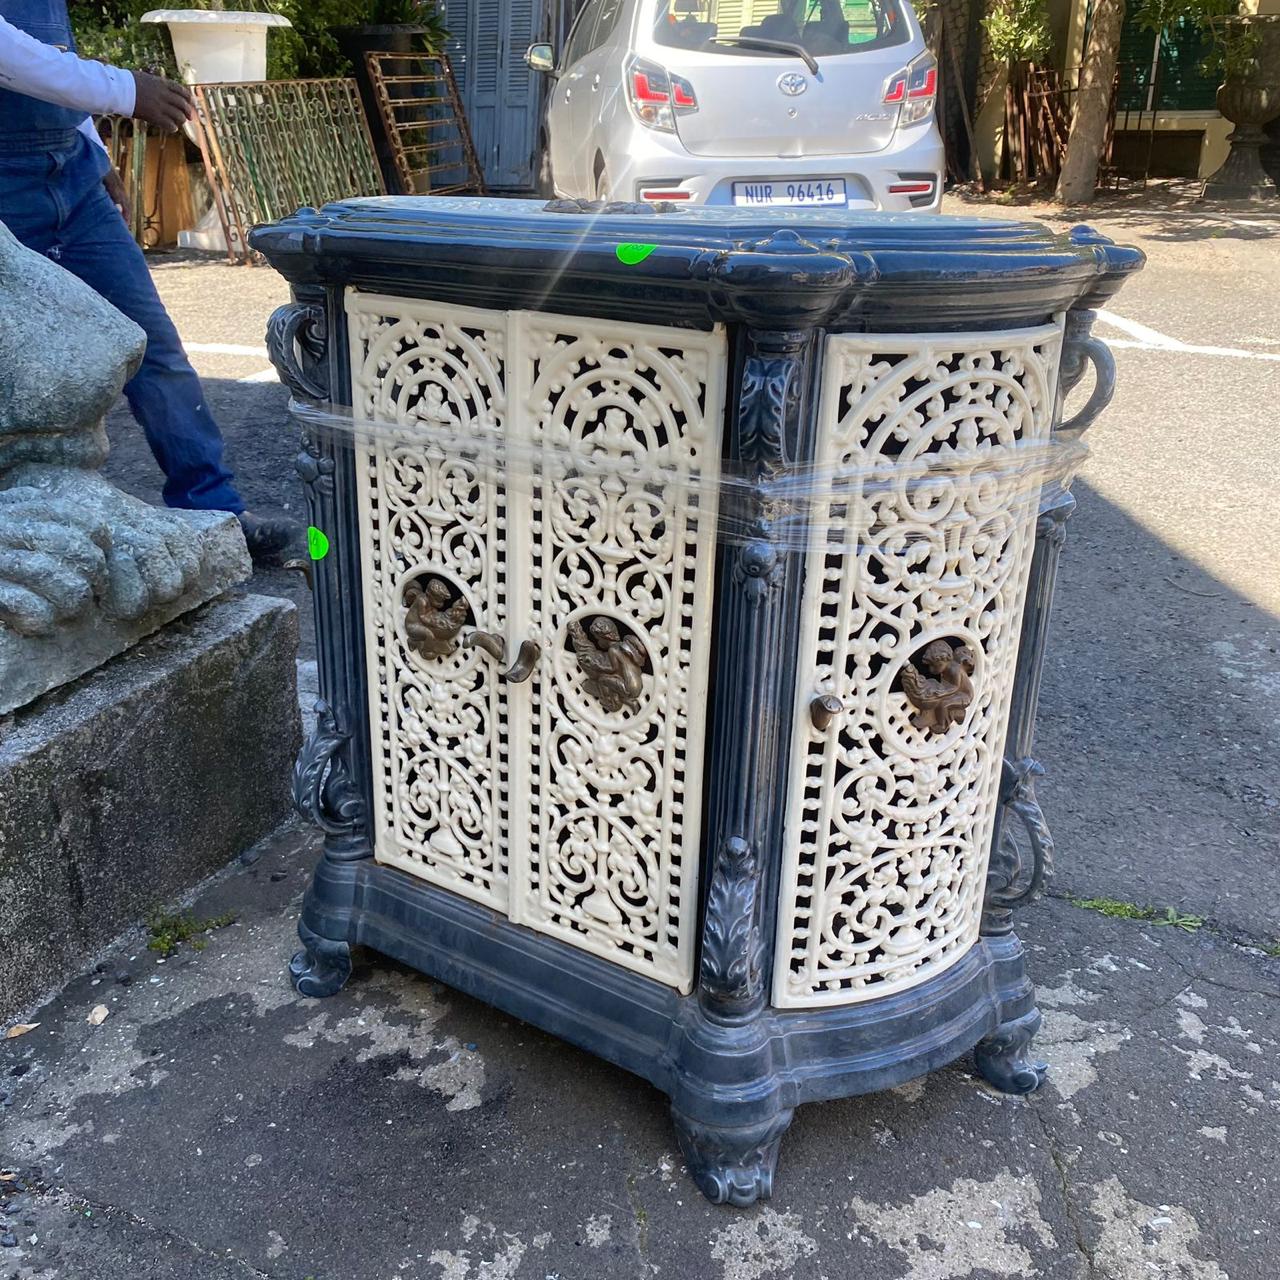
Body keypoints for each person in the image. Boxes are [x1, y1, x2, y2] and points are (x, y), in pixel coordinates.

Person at [0, 1, 294, 560]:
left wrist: (92, 145)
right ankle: (25, 543)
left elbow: (51, 60)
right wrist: (125, 91)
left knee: (151, 347)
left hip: (72, 176)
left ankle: (214, 514)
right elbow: (9, 55)